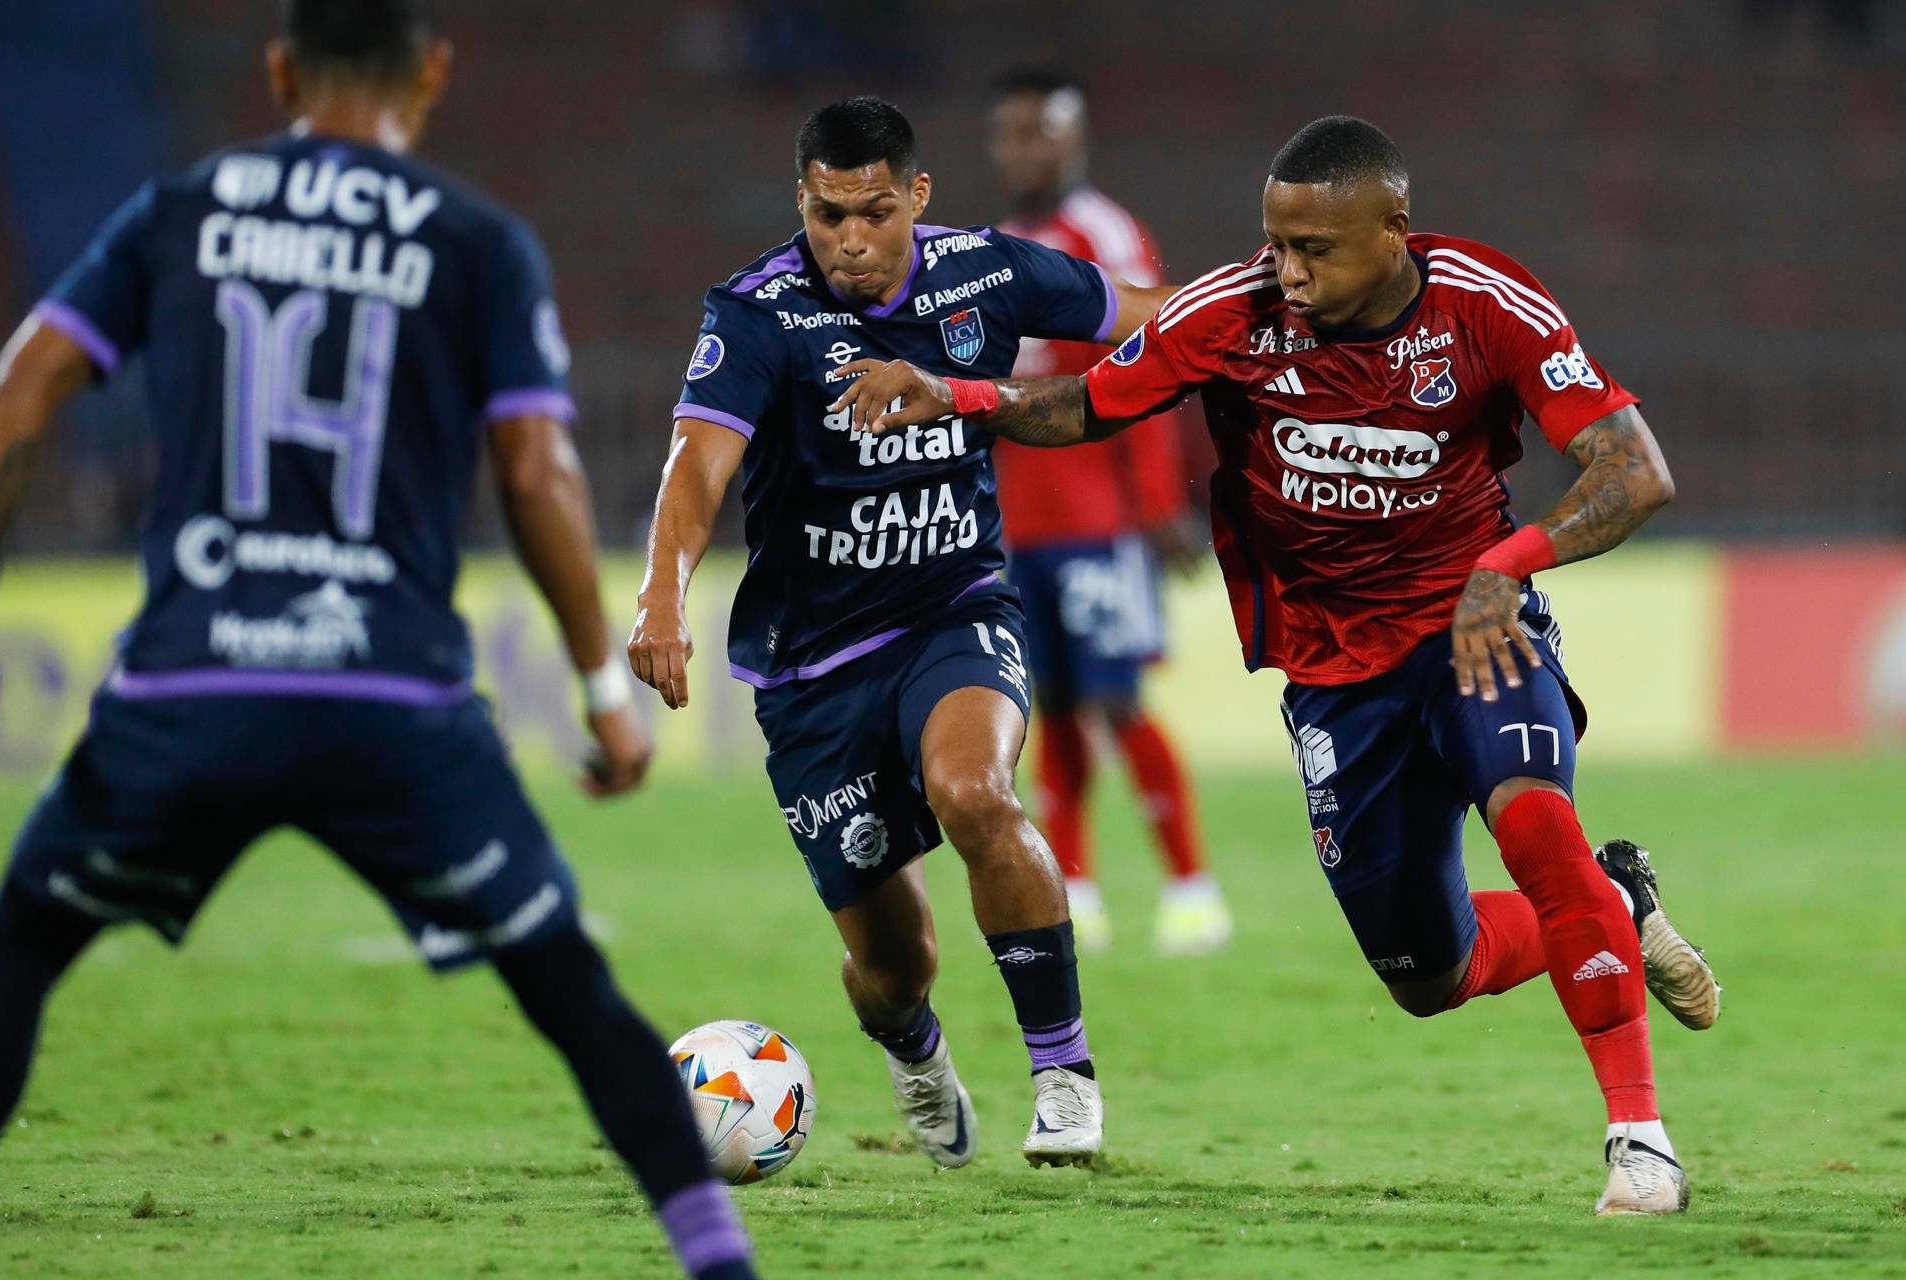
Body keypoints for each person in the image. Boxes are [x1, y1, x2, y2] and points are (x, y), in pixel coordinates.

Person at [0, 4, 758, 1276]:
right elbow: (536, 466)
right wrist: (594, 688)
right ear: (436, 70)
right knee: (564, 980)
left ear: (282, 69)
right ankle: (717, 1257)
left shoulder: (177, 212)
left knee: (20, 941)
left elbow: (19, 395)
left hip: (191, 680)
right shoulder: (474, 240)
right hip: (388, 697)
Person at [834, 115, 1722, 1215]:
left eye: (1317, 250)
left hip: (1473, 629)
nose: (1289, 273)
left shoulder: (1487, 304)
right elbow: (1087, 403)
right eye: (1277, 244)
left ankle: (1641, 1142)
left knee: (1537, 820)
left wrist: (1512, 560)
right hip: (1334, 673)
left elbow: (1635, 471)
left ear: (1394, 229)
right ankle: (1616, 905)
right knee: (1425, 976)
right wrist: (963, 394)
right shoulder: (1230, 312)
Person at [628, 97, 1171, 1170]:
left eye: (875, 212)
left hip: (953, 608)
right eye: (829, 215)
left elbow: (1155, 316)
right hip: (812, 664)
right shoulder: (757, 313)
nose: (852, 240)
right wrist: (659, 593)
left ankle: (1063, 1075)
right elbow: (698, 463)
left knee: (976, 789)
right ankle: (913, 1050)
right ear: (803, 203)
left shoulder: (987, 271)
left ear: (916, 198)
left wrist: (1284, 318)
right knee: (893, 962)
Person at [985, 68, 1229, 957]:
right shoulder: (999, 243)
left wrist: (1158, 504)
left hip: (1100, 518)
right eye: (1011, 134)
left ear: (1074, 138)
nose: (1024, 151)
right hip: (1018, 521)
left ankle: (1191, 886)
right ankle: (1075, 886)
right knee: (1049, 703)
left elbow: (1150, 368)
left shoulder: (1105, 235)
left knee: (1118, 696)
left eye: (1040, 132)